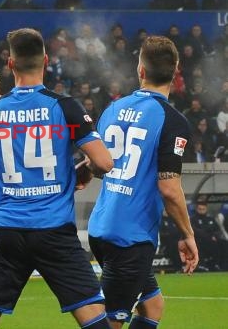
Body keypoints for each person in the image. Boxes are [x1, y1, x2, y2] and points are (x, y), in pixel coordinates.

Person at [0, 28, 114, 329]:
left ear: (10, 64)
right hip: (54, 228)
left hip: (6, 231)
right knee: (93, 316)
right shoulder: (65, 107)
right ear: (45, 61)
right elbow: (104, 163)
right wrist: (80, 169)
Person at [88, 35, 199, 328]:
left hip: (101, 227)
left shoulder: (112, 109)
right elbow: (169, 189)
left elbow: (95, 166)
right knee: (107, 323)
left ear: (141, 70)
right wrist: (187, 234)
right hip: (131, 237)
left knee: (152, 306)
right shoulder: (173, 120)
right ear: (176, 72)